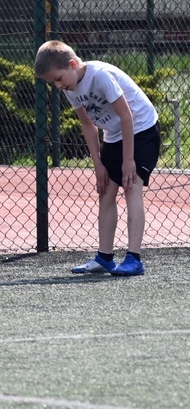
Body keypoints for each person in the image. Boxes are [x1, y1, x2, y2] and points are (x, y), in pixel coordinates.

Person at [34, 40, 160, 276]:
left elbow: (126, 116)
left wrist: (128, 160)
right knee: (106, 192)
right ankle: (105, 258)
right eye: (53, 83)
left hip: (141, 129)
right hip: (113, 135)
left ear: (72, 64)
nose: (58, 86)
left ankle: (134, 259)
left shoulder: (100, 76)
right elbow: (87, 125)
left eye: (58, 79)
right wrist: (99, 165)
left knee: (131, 186)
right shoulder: (71, 88)